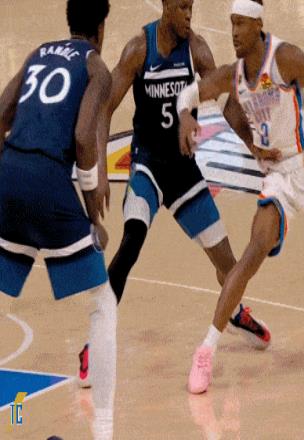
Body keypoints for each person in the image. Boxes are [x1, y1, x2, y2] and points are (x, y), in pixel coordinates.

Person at [177, 0, 304, 394]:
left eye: (240, 24)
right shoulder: (232, 76)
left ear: (258, 24)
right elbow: (188, 95)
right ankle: (206, 350)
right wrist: (186, 115)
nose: (234, 33)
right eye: (231, 24)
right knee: (252, 251)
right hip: (276, 178)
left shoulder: (285, 57)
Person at [78, 0, 273, 387]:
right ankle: (93, 343)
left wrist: (257, 146)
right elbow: (104, 109)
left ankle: (234, 312)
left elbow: (229, 105)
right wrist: (99, 169)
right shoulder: (139, 49)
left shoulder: (197, 50)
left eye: (191, 8)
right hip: (148, 165)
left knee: (229, 264)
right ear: (166, 5)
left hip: (183, 171)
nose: (188, 15)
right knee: (131, 242)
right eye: (182, 7)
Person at [0, 0, 116, 438]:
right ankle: (103, 429)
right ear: (101, 26)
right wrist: (92, 211)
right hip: (48, 182)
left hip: (9, 173)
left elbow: (1, 114)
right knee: (103, 302)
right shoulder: (96, 68)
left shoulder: (37, 53)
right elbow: (85, 137)